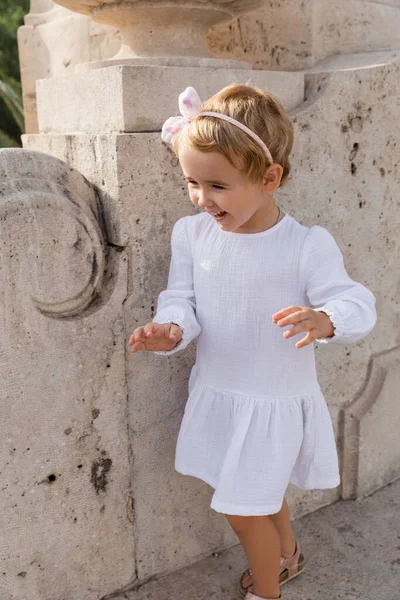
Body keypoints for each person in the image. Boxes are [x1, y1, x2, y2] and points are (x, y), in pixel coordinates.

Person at [128, 84, 377, 600]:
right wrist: (170, 328)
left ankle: (267, 592)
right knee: (258, 493)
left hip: (274, 400)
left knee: (242, 510)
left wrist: (326, 318)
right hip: (221, 389)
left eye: (217, 185)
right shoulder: (192, 235)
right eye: (191, 183)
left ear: (269, 178)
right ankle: (289, 556)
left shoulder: (306, 245)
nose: (202, 198)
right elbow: (183, 300)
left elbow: (356, 300)